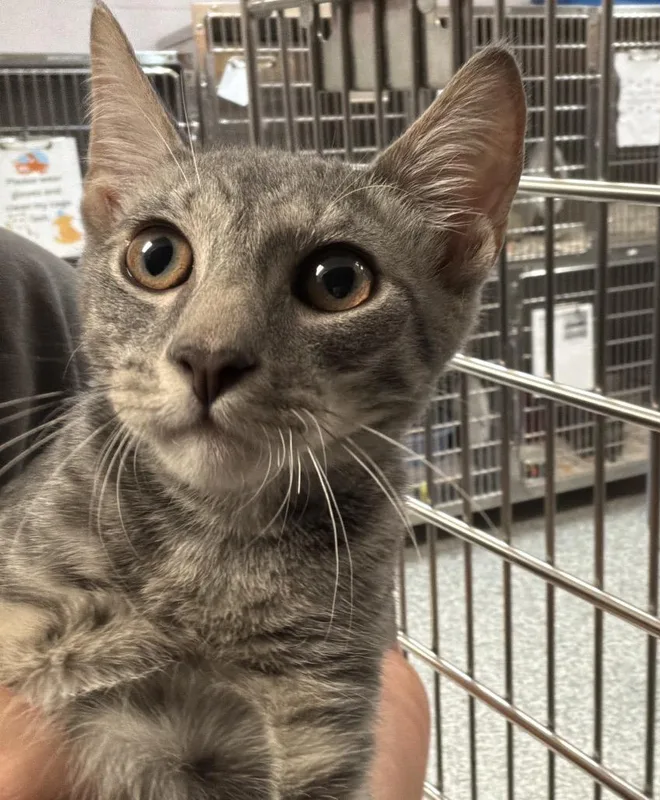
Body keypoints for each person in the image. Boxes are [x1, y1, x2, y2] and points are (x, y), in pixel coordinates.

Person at [0, 228, 430, 800]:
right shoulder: (85, 463)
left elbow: (380, 689)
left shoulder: (21, 289)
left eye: (337, 283)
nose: (210, 348)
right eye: (159, 262)